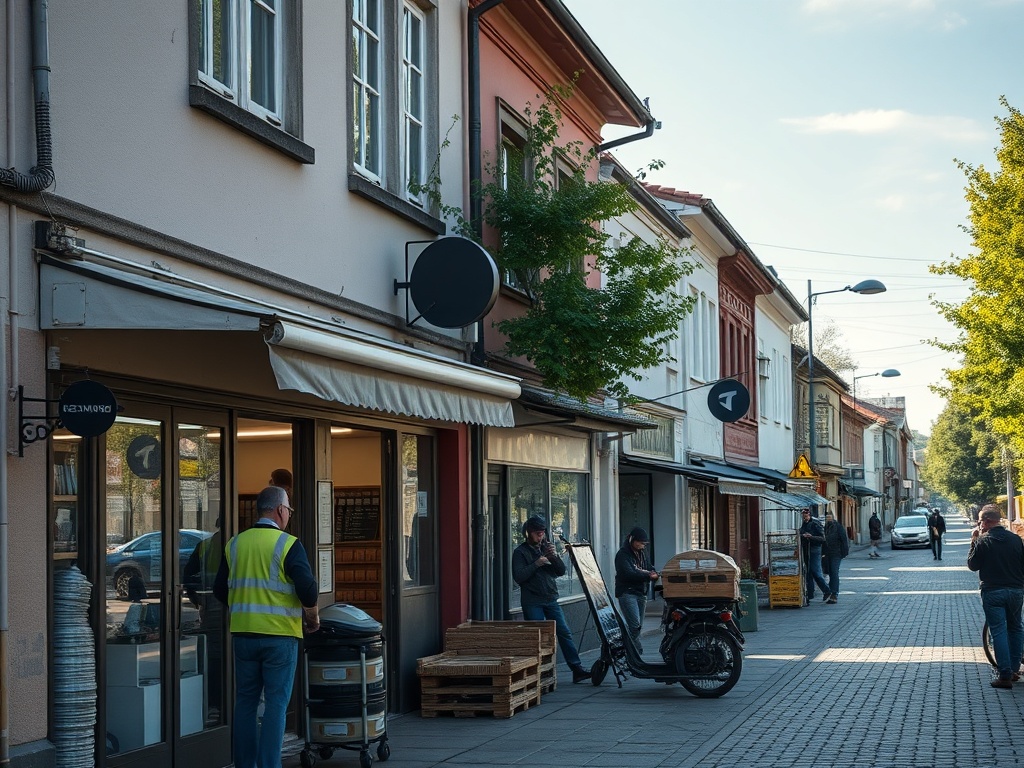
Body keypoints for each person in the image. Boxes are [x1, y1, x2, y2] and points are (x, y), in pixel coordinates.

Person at [214, 486, 320, 768]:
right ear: (280, 511)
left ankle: (245, 764)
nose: (289, 515)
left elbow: (219, 590)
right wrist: (312, 618)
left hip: (243, 635)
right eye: (289, 511)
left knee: (246, 702)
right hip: (280, 637)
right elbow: (308, 590)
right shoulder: (288, 544)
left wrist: (245, 606)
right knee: (276, 704)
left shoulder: (234, 544)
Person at [512, 515, 590, 683]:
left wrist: (554, 556)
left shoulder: (546, 548)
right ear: (528, 533)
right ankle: (538, 674)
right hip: (532, 600)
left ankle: (576, 668)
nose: (540, 536)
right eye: (537, 533)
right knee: (537, 637)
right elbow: (518, 576)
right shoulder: (520, 552)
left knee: (564, 632)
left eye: (542, 533)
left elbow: (561, 571)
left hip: (550, 598)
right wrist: (537, 564)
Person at [967, 504, 1024, 689]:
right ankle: (1015, 670)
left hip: (993, 592)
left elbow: (973, 565)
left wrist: (973, 542)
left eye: (980, 520)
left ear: (988, 521)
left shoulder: (983, 541)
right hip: (1016, 591)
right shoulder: (1016, 540)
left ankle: (1005, 675)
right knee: (1016, 628)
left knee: (998, 631)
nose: (979, 524)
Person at [614, 527, 659, 653]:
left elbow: (650, 568)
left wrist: (653, 574)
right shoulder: (623, 555)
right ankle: (632, 649)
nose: (642, 546)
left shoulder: (642, 553)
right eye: (640, 543)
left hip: (641, 592)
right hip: (627, 593)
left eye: (644, 544)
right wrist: (647, 575)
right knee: (634, 625)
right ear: (632, 540)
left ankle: (626, 649)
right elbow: (628, 573)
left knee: (638, 626)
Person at [799, 509, 830, 605]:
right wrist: (801, 536)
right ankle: (809, 595)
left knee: (816, 572)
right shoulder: (803, 524)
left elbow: (822, 538)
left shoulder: (816, 523)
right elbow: (800, 534)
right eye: (803, 515)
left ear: (810, 515)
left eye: (806, 515)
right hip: (805, 549)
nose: (804, 517)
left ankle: (827, 590)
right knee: (807, 572)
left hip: (815, 549)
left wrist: (811, 537)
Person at [822, 513, 849, 604]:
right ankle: (829, 591)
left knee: (834, 572)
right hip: (827, 554)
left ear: (833, 518)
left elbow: (844, 540)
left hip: (836, 553)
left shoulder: (838, 527)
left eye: (829, 517)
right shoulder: (825, 527)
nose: (828, 519)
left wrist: (844, 553)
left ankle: (834, 594)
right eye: (827, 518)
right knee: (828, 572)